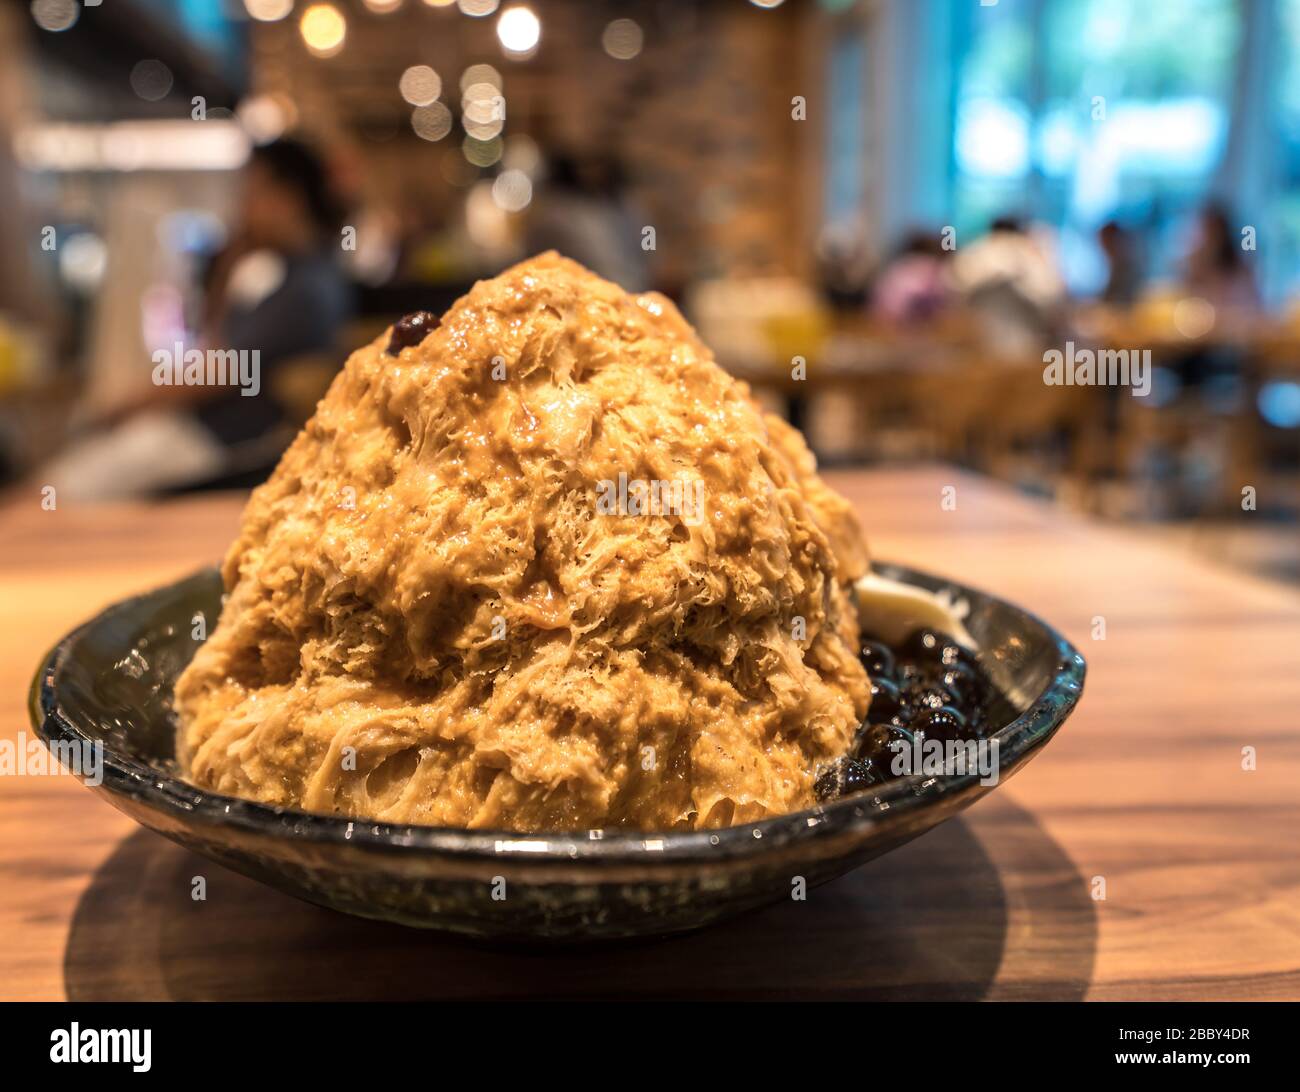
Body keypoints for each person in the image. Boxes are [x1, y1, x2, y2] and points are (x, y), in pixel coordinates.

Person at [39, 138, 353, 500]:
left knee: (55, 491)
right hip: (206, 433)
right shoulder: (292, 275)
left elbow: (219, 372)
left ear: (287, 197)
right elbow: (215, 343)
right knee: (72, 474)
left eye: (251, 192)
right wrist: (231, 260)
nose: (242, 208)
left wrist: (125, 407)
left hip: (228, 443)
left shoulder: (308, 287)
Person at [525, 152, 649, 292]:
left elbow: (648, 234)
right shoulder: (558, 211)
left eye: (599, 164)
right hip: (591, 291)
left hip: (637, 288)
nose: (595, 172)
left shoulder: (626, 204)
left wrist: (651, 253)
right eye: (588, 166)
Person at [1182, 202, 1257, 313]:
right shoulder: (1195, 268)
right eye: (1204, 233)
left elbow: (1251, 306)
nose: (1208, 239)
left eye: (1212, 232)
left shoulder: (1240, 268)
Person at [1097, 220, 1142, 306]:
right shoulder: (1114, 267)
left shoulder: (1128, 270)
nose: (1102, 248)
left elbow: (1123, 303)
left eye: (1105, 242)